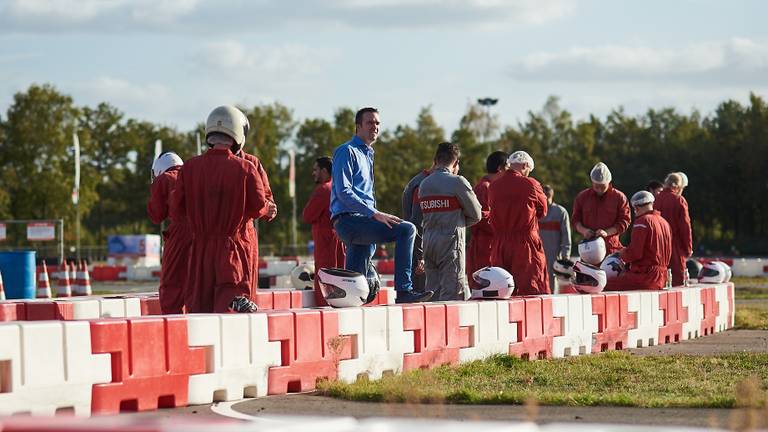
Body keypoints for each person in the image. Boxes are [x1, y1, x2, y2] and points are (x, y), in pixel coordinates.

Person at [172, 105, 269, 313]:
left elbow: (176, 209)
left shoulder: (188, 168)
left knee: (199, 310)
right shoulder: (246, 168)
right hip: (232, 249)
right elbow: (259, 207)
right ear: (238, 133)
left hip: (199, 251)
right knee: (232, 309)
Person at [330, 107, 433, 304]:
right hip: (350, 221)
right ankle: (404, 291)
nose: (375, 127)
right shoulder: (346, 151)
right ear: (358, 126)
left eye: (377, 123)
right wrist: (374, 213)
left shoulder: (368, 154)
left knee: (355, 289)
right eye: (369, 123)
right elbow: (344, 192)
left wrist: (372, 214)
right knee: (407, 230)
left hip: (362, 222)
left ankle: (348, 314)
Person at [418, 142, 481, 301]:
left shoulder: (424, 184)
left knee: (432, 291)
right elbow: (476, 214)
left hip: (429, 242)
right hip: (450, 242)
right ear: (456, 163)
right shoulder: (457, 182)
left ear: (435, 160)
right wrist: (458, 221)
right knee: (453, 291)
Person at [488, 151, 550, 295]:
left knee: (502, 291)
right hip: (525, 245)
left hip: (500, 245)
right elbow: (543, 211)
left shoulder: (494, 186)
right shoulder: (531, 184)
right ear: (525, 166)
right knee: (531, 289)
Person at [147, 152, 191, 314]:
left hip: (181, 233)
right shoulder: (195, 173)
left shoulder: (165, 179)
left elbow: (156, 215)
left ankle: (173, 326)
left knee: (172, 286)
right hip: (209, 232)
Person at [605, 191, 672, 291]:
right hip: (662, 277)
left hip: (645, 277)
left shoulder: (642, 222)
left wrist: (621, 252)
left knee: (604, 284)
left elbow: (635, 253)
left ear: (635, 208)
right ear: (652, 204)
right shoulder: (664, 222)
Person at [302, 156, 345, 306]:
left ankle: (324, 309)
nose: (313, 173)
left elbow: (307, 215)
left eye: (316, 170)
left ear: (324, 171)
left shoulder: (323, 190)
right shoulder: (341, 188)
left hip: (325, 241)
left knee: (325, 279)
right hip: (341, 240)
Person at [237, 147, 277, 289]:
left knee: (245, 285)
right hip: (239, 234)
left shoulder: (252, 162)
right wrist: (266, 208)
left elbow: (266, 198)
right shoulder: (201, 164)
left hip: (243, 233)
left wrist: (268, 207)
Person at [466, 151, 508, 288]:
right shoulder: (485, 188)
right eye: (507, 169)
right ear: (500, 168)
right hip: (484, 245)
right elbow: (481, 218)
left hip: (491, 244)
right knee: (486, 285)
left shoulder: (491, 187)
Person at [572, 162, 631, 254]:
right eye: (596, 186)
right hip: (588, 249)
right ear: (592, 182)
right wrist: (584, 231)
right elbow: (575, 220)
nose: (599, 190)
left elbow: (625, 221)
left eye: (603, 187)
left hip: (611, 249)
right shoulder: (582, 197)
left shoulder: (619, 197)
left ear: (609, 182)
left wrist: (607, 232)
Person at [653, 173, 692, 286]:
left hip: (658, 246)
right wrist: (688, 248)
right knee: (677, 282)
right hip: (675, 246)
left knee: (660, 281)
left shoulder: (656, 199)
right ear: (678, 187)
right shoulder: (679, 200)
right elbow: (685, 227)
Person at [401, 162, 435, 292]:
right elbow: (417, 222)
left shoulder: (417, 180)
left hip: (412, 247)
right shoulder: (423, 184)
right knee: (421, 296)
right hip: (418, 253)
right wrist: (421, 256)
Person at [538, 185, 572, 291]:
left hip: (553, 256)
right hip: (537, 255)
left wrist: (565, 255)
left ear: (550, 196)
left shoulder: (560, 212)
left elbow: (566, 235)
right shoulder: (534, 212)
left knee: (552, 282)